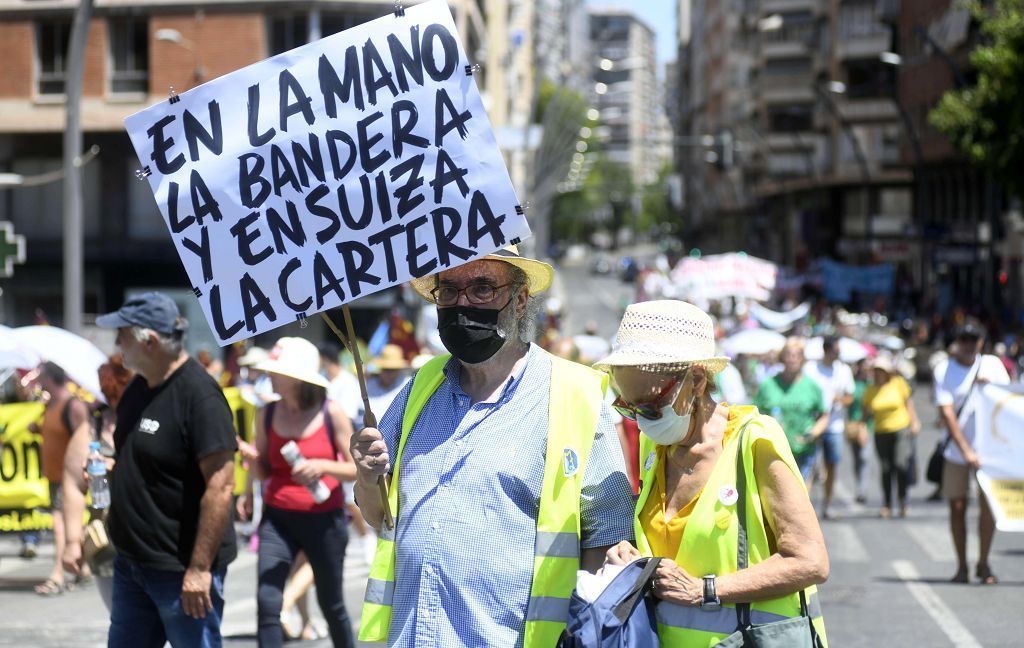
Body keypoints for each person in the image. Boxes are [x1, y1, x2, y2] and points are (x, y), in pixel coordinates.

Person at [351, 244, 635, 647]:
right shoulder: (420, 387)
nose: (462, 303)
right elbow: (379, 514)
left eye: (482, 287)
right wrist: (366, 478)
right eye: (448, 290)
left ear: (519, 300)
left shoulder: (574, 394)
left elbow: (606, 544)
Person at [598, 300, 828, 645]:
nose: (642, 420)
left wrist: (705, 590)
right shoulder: (655, 446)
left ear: (697, 380)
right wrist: (632, 558)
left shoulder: (755, 440)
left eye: (649, 405)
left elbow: (811, 561)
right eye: (628, 407)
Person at [95, 292, 237, 647]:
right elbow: (136, 454)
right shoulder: (139, 387)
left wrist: (200, 569)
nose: (117, 344)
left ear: (151, 341)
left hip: (181, 573)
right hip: (132, 563)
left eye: (123, 335)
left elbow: (220, 486)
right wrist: (110, 468)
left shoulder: (200, 396)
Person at [238, 336, 357, 647]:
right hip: (278, 519)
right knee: (268, 601)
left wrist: (322, 466)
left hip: (324, 520)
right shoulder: (266, 413)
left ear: (296, 377)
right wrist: (251, 463)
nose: (269, 376)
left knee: (332, 605)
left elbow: (356, 469)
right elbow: (263, 471)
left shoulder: (331, 413)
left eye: (276, 371)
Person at [933, 320, 1010, 584]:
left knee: (989, 508)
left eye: (973, 339)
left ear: (981, 342)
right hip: (957, 451)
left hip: (990, 451)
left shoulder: (993, 365)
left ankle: (984, 563)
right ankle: (961, 565)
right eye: (964, 339)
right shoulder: (944, 369)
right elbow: (947, 413)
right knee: (957, 506)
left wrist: (992, 386)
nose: (968, 344)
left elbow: (1008, 403)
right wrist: (965, 450)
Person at [62, 354, 135, 610]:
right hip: (107, 541)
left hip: (153, 538)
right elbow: (72, 483)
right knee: (122, 616)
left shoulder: (153, 418)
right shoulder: (93, 426)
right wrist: (72, 542)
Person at [32, 361, 92, 596]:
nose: (38, 380)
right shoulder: (50, 405)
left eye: (41, 375)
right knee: (68, 525)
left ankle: (57, 574)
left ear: (50, 377)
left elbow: (85, 437)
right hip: (54, 476)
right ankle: (83, 569)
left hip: (71, 478)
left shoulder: (74, 406)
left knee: (60, 524)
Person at [754, 338, 829, 485]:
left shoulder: (812, 386)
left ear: (802, 359)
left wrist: (812, 433)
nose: (792, 359)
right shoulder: (768, 385)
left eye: (796, 355)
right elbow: (754, 414)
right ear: (782, 358)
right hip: (774, 451)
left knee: (802, 495)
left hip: (803, 450)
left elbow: (824, 416)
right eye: (788, 354)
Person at [802, 337, 854, 518]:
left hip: (834, 425)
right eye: (836, 351)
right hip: (814, 422)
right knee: (808, 464)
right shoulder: (811, 369)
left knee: (831, 464)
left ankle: (827, 503)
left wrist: (840, 399)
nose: (838, 355)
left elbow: (850, 397)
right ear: (827, 351)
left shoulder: (844, 370)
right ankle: (805, 507)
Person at [862, 355, 920, 518]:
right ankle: (887, 503)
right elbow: (865, 413)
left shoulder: (898, 384)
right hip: (881, 432)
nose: (879, 373)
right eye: (876, 370)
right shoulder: (870, 390)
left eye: (881, 370)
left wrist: (914, 422)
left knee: (900, 465)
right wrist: (862, 428)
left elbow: (908, 403)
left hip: (900, 429)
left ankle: (902, 500)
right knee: (886, 468)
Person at [846, 358, 872, 504]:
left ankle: (863, 490)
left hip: (867, 425)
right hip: (853, 425)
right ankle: (859, 486)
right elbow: (848, 401)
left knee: (865, 457)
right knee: (856, 459)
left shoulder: (871, 385)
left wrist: (864, 425)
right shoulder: (852, 384)